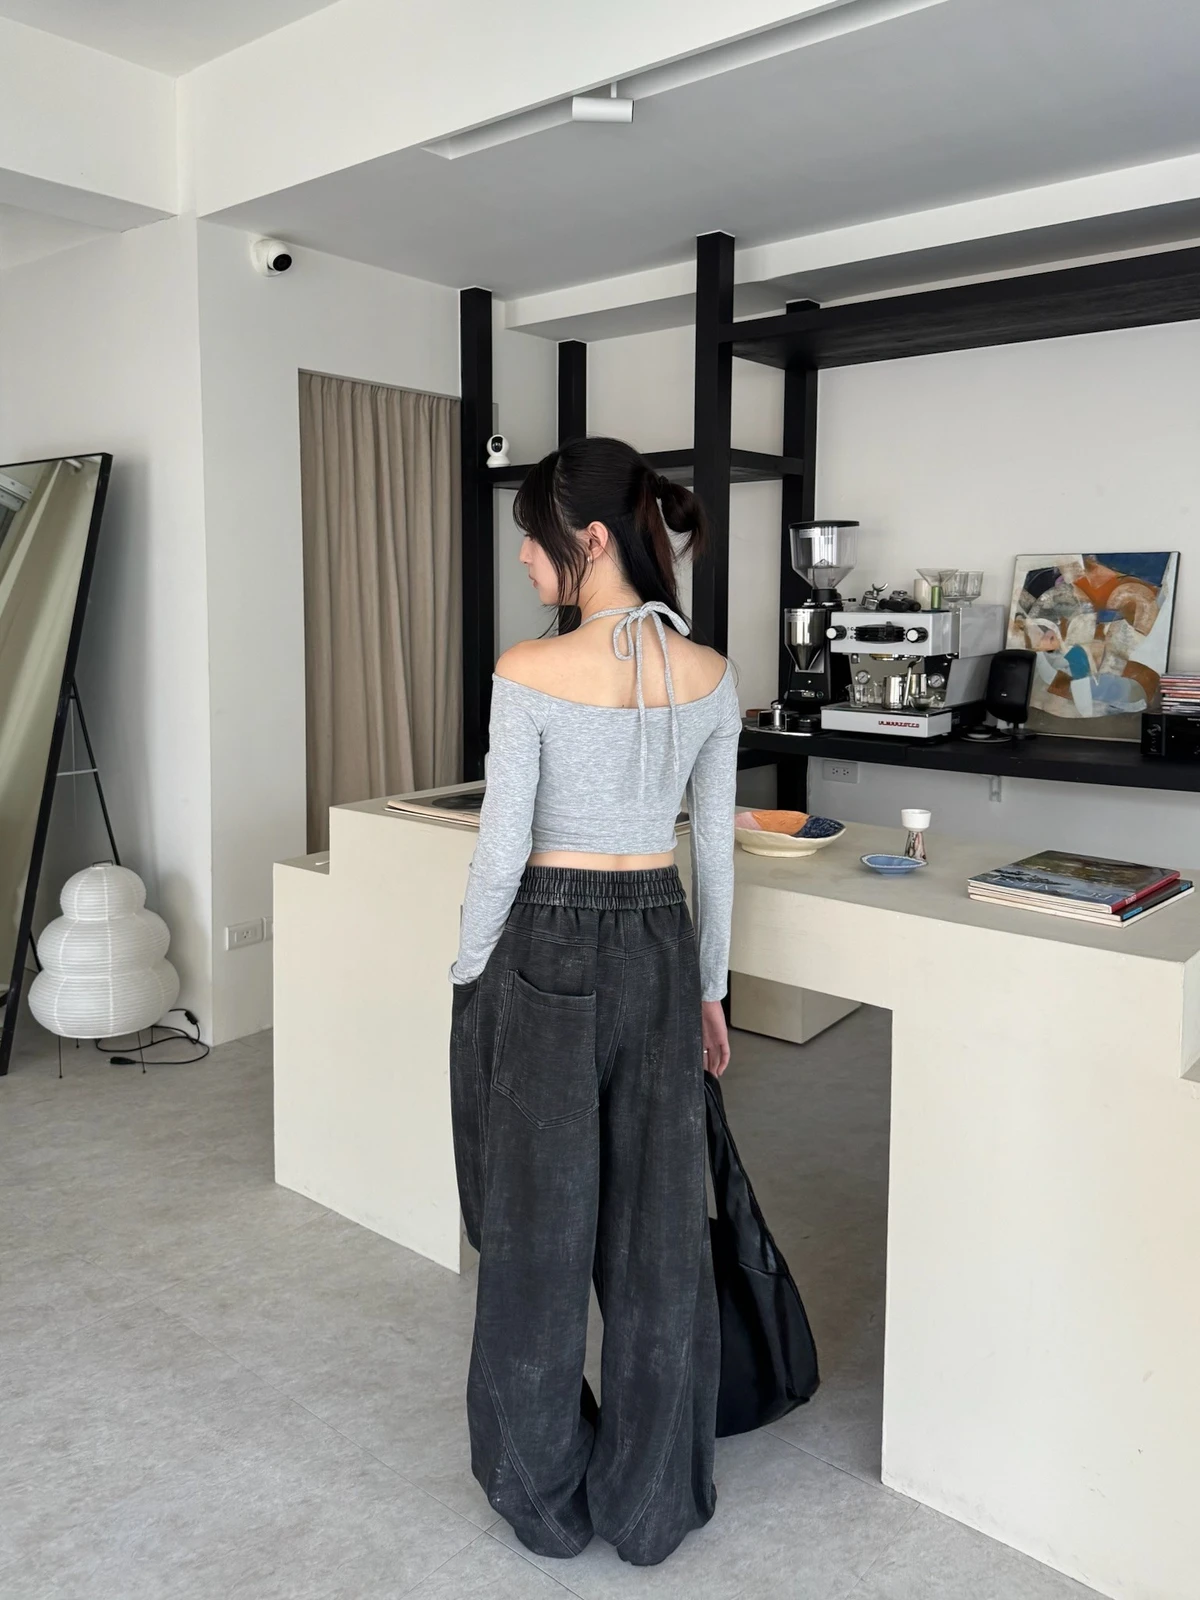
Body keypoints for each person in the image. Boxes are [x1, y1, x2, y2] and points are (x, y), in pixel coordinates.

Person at [447, 436, 742, 1566]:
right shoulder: (710, 673)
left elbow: (502, 846)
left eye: (534, 540)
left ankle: (540, 1494)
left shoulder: (529, 669)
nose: (526, 560)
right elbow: (712, 852)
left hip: (545, 949)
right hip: (661, 944)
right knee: (660, 1236)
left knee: (536, 1228)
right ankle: (652, 1503)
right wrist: (709, 988)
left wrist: (469, 971)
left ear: (594, 538)